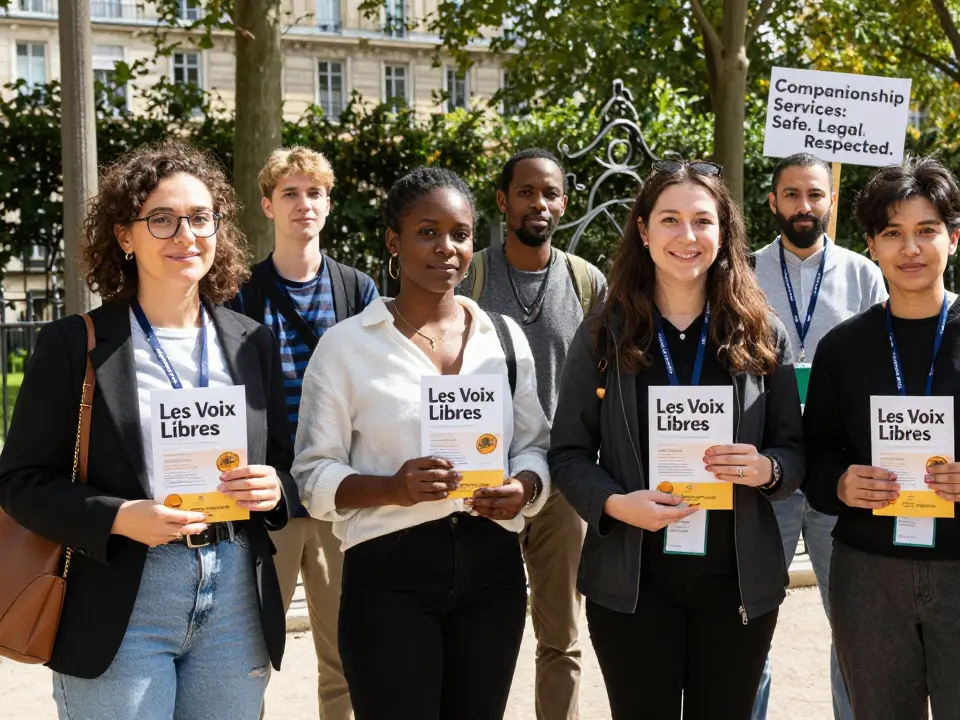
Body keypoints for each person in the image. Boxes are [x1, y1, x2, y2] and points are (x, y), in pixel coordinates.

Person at [0, 139, 291, 718]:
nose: (185, 234)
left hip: (233, 593)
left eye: (200, 218)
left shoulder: (251, 340)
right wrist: (116, 517)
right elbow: (21, 482)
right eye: (162, 219)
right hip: (119, 598)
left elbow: (284, 461)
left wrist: (275, 488)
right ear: (125, 237)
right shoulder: (72, 344)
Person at [291, 166, 552, 720]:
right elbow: (313, 480)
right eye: (427, 231)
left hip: (493, 573)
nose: (447, 248)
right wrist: (394, 486)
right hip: (388, 578)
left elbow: (534, 447)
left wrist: (523, 487)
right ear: (394, 240)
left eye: (459, 233)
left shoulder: (503, 340)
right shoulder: (345, 348)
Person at [548, 160, 806, 720]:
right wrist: (616, 503)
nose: (687, 237)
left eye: (702, 221)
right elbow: (567, 453)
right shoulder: (602, 331)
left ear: (724, 232)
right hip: (633, 584)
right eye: (669, 220)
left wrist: (767, 469)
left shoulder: (762, 332)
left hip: (736, 586)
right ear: (643, 230)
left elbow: (794, 448)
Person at [805, 156, 960, 719]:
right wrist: (841, 482)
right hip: (869, 574)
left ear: (955, 239)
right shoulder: (843, 346)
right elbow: (814, 455)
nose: (909, 249)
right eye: (892, 233)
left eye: (926, 231)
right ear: (871, 245)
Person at [455, 147, 606, 720]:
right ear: (503, 200)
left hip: (563, 480)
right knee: (480, 631)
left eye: (549, 193)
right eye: (525, 192)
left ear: (563, 203)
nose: (538, 203)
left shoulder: (586, 281)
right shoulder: (473, 273)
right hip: (483, 480)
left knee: (561, 635)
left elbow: (610, 369)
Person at [228, 146, 378, 720]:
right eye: (289, 193)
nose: (303, 204)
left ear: (328, 204)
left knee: (345, 655)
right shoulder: (240, 292)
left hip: (341, 492)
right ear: (267, 204)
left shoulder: (357, 290)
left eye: (313, 193)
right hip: (269, 497)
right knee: (249, 654)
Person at [749, 152, 885, 720]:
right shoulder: (741, 270)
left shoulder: (864, 274)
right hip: (766, 477)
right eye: (791, 195)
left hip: (839, 477)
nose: (804, 207)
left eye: (815, 194)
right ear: (774, 201)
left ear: (830, 201)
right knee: (750, 619)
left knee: (855, 627)